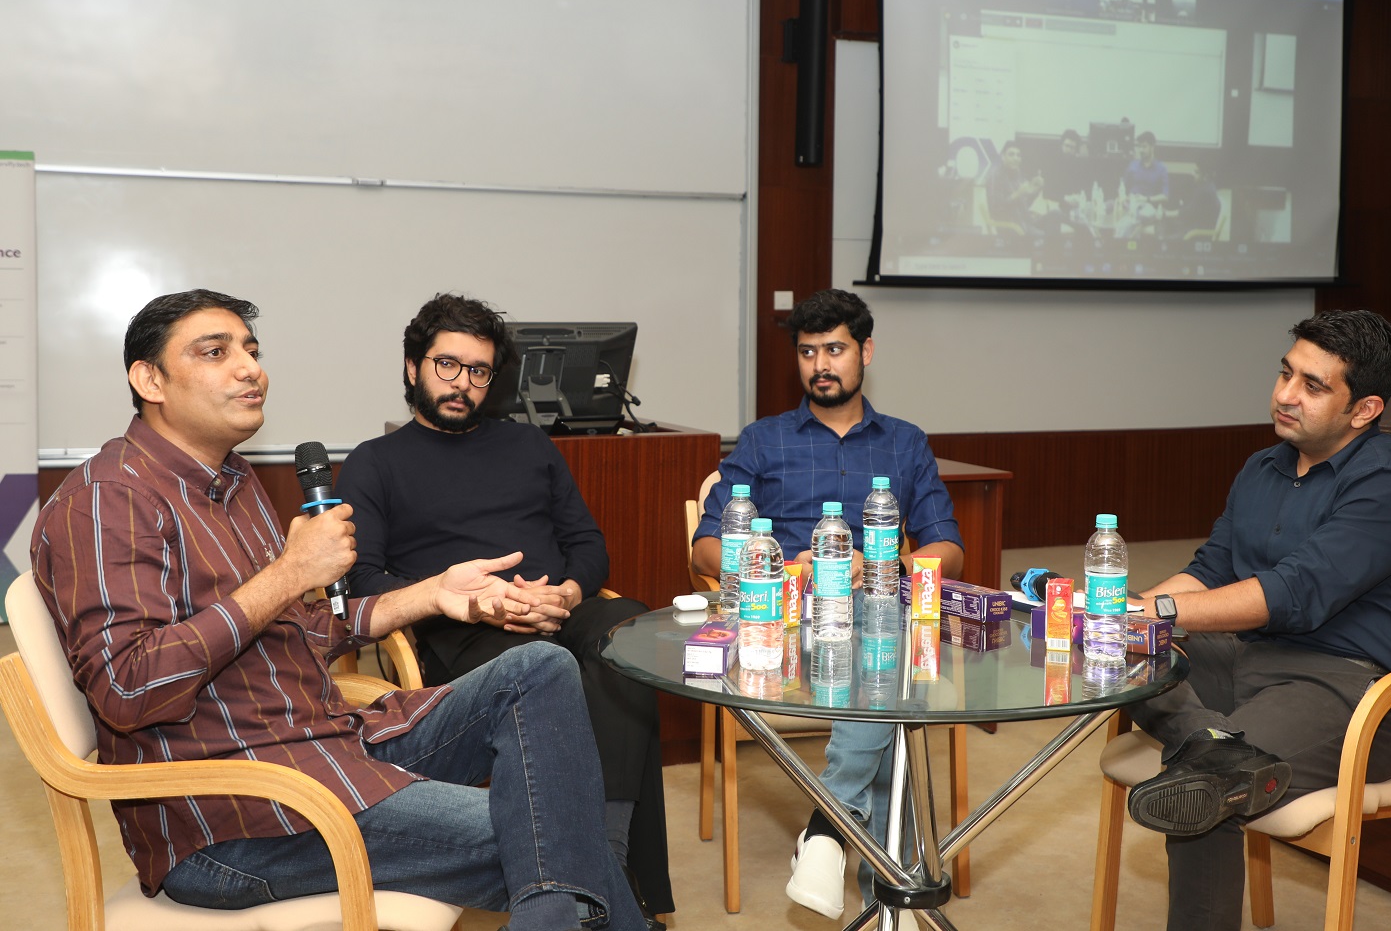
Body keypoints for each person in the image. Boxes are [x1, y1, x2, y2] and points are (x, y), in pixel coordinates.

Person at [30, 289, 645, 931]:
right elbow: (129, 687)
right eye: (216, 352)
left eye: (252, 350)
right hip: (239, 815)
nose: (250, 369)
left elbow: (309, 627)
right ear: (148, 379)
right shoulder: (106, 503)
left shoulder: (234, 483)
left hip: (328, 745)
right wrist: (289, 573)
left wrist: (435, 592)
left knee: (539, 668)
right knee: (559, 834)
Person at [336, 293, 672, 926]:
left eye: (479, 371)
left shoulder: (529, 446)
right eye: (447, 365)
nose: (463, 384)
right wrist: (475, 601)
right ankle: (609, 885)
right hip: (462, 633)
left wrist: (568, 594)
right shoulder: (374, 463)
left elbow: (587, 545)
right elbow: (365, 581)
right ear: (412, 367)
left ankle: (606, 859)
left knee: (626, 637)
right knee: (561, 671)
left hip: (555, 608)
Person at [1123, 309, 1391, 931]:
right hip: (1249, 659)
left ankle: (1211, 761)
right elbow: (1212, 568)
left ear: (1366, 410)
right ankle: (1218, 751)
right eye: (1285, 373)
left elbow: (1292, 593)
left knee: (1200, 790)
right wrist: (1119, 616)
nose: (1284, 395)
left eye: (1313, 385)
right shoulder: (1263, 467)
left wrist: (1154, 610)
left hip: (1351, 692)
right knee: (1119, 654)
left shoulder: (1389, 482)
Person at [691, 288, 964, 923]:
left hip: (874, 617)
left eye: (835, 349)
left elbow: (947, 549)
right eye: (808, 352)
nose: (821, 365)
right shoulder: (762, 441)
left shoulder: (904, 443)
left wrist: (886, 566)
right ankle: (887, 901)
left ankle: (825, 833)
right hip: (783, 627)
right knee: (892, 690)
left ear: (865, 352)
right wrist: (780, 567)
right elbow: (707, 551)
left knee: (883, 656)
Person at [983, 140, 1046, 237]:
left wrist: (1036, 190)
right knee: (1050, 237)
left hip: (1026, 222)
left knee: (1055, 215)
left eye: (1018, 155)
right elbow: (996, 210)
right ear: (1003, 157)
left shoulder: (1018, 173)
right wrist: (1018, 193)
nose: (1016, 158)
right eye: (1011, 155)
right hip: (1014, 229)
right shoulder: (995, 176)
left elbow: (1025, 204)